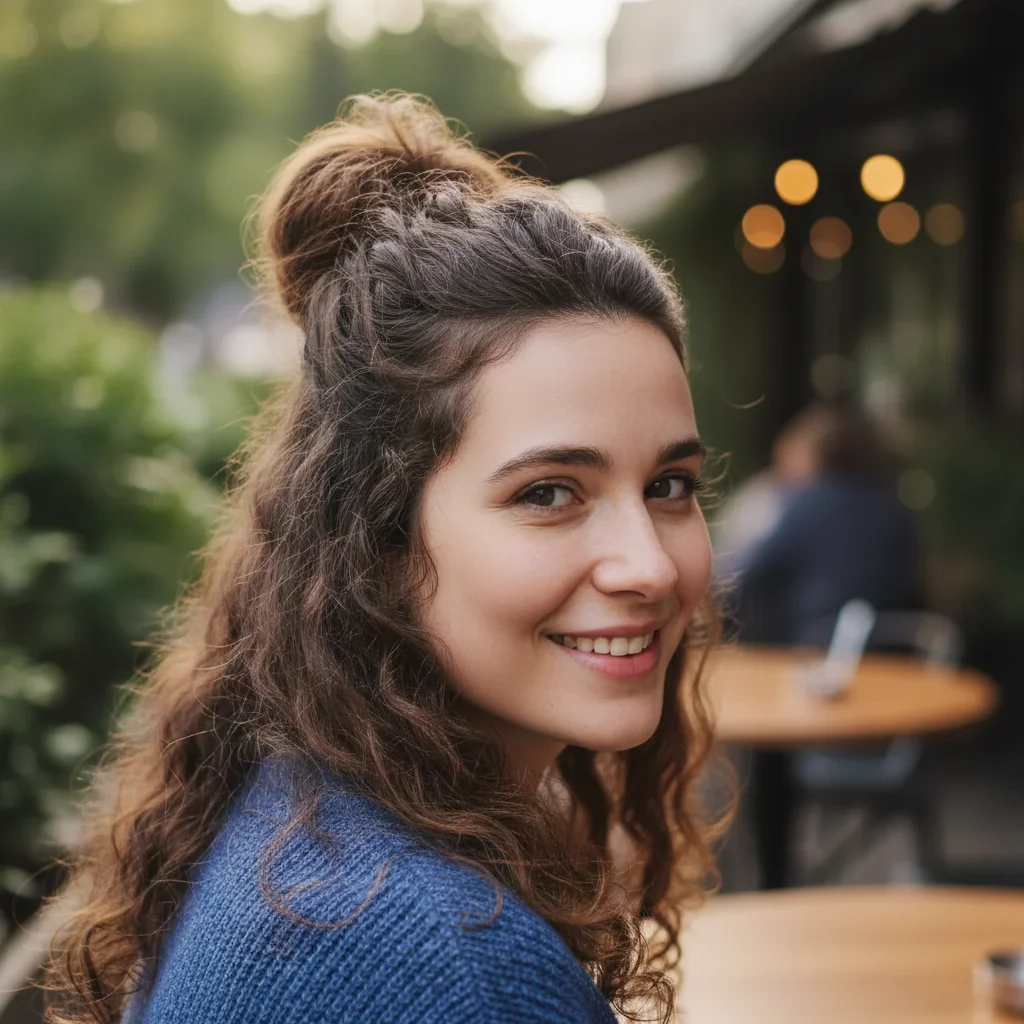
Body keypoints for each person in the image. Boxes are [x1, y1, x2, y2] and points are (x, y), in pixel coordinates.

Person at [46, 94, 724, 1024]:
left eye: (670, 486)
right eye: (548, 493)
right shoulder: (457, 964)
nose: (648, 566)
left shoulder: (302, 820)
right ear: (377, 537)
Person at [726, 402, 920, 647]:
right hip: (892, 647)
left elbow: (748, 575)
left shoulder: (807, 503)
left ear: (814, 454)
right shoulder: (892, 508)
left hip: (816, 648)